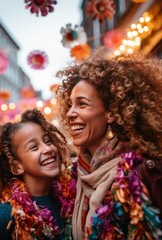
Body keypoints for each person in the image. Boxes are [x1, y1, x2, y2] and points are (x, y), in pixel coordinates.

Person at [56, 50, 162, 240]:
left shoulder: (143, 171)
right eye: (70, 104)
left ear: (111, 112)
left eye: (82, 104)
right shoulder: (75, 174)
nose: (70, 113)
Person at [0, 108, 77, 240]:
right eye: (34, 147)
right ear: (16, 166)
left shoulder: (71, 196)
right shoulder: (2, 217)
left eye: (48, 141)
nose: (48, 149)